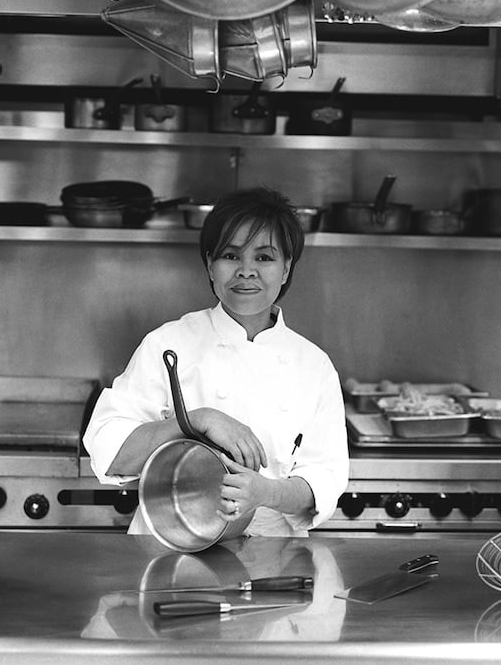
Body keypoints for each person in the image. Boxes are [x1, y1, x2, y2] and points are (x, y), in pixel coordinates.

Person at [83, 186, 349, 536]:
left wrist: (267, 492)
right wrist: (197, 420)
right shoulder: (168, 344)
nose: (246, 270)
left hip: (274, 561)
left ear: (286, 269)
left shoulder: (314, 366)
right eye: (230, 255)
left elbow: (325, 479)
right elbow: (110, 451)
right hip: (172, 544)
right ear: (210, 265)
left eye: (264, 258)